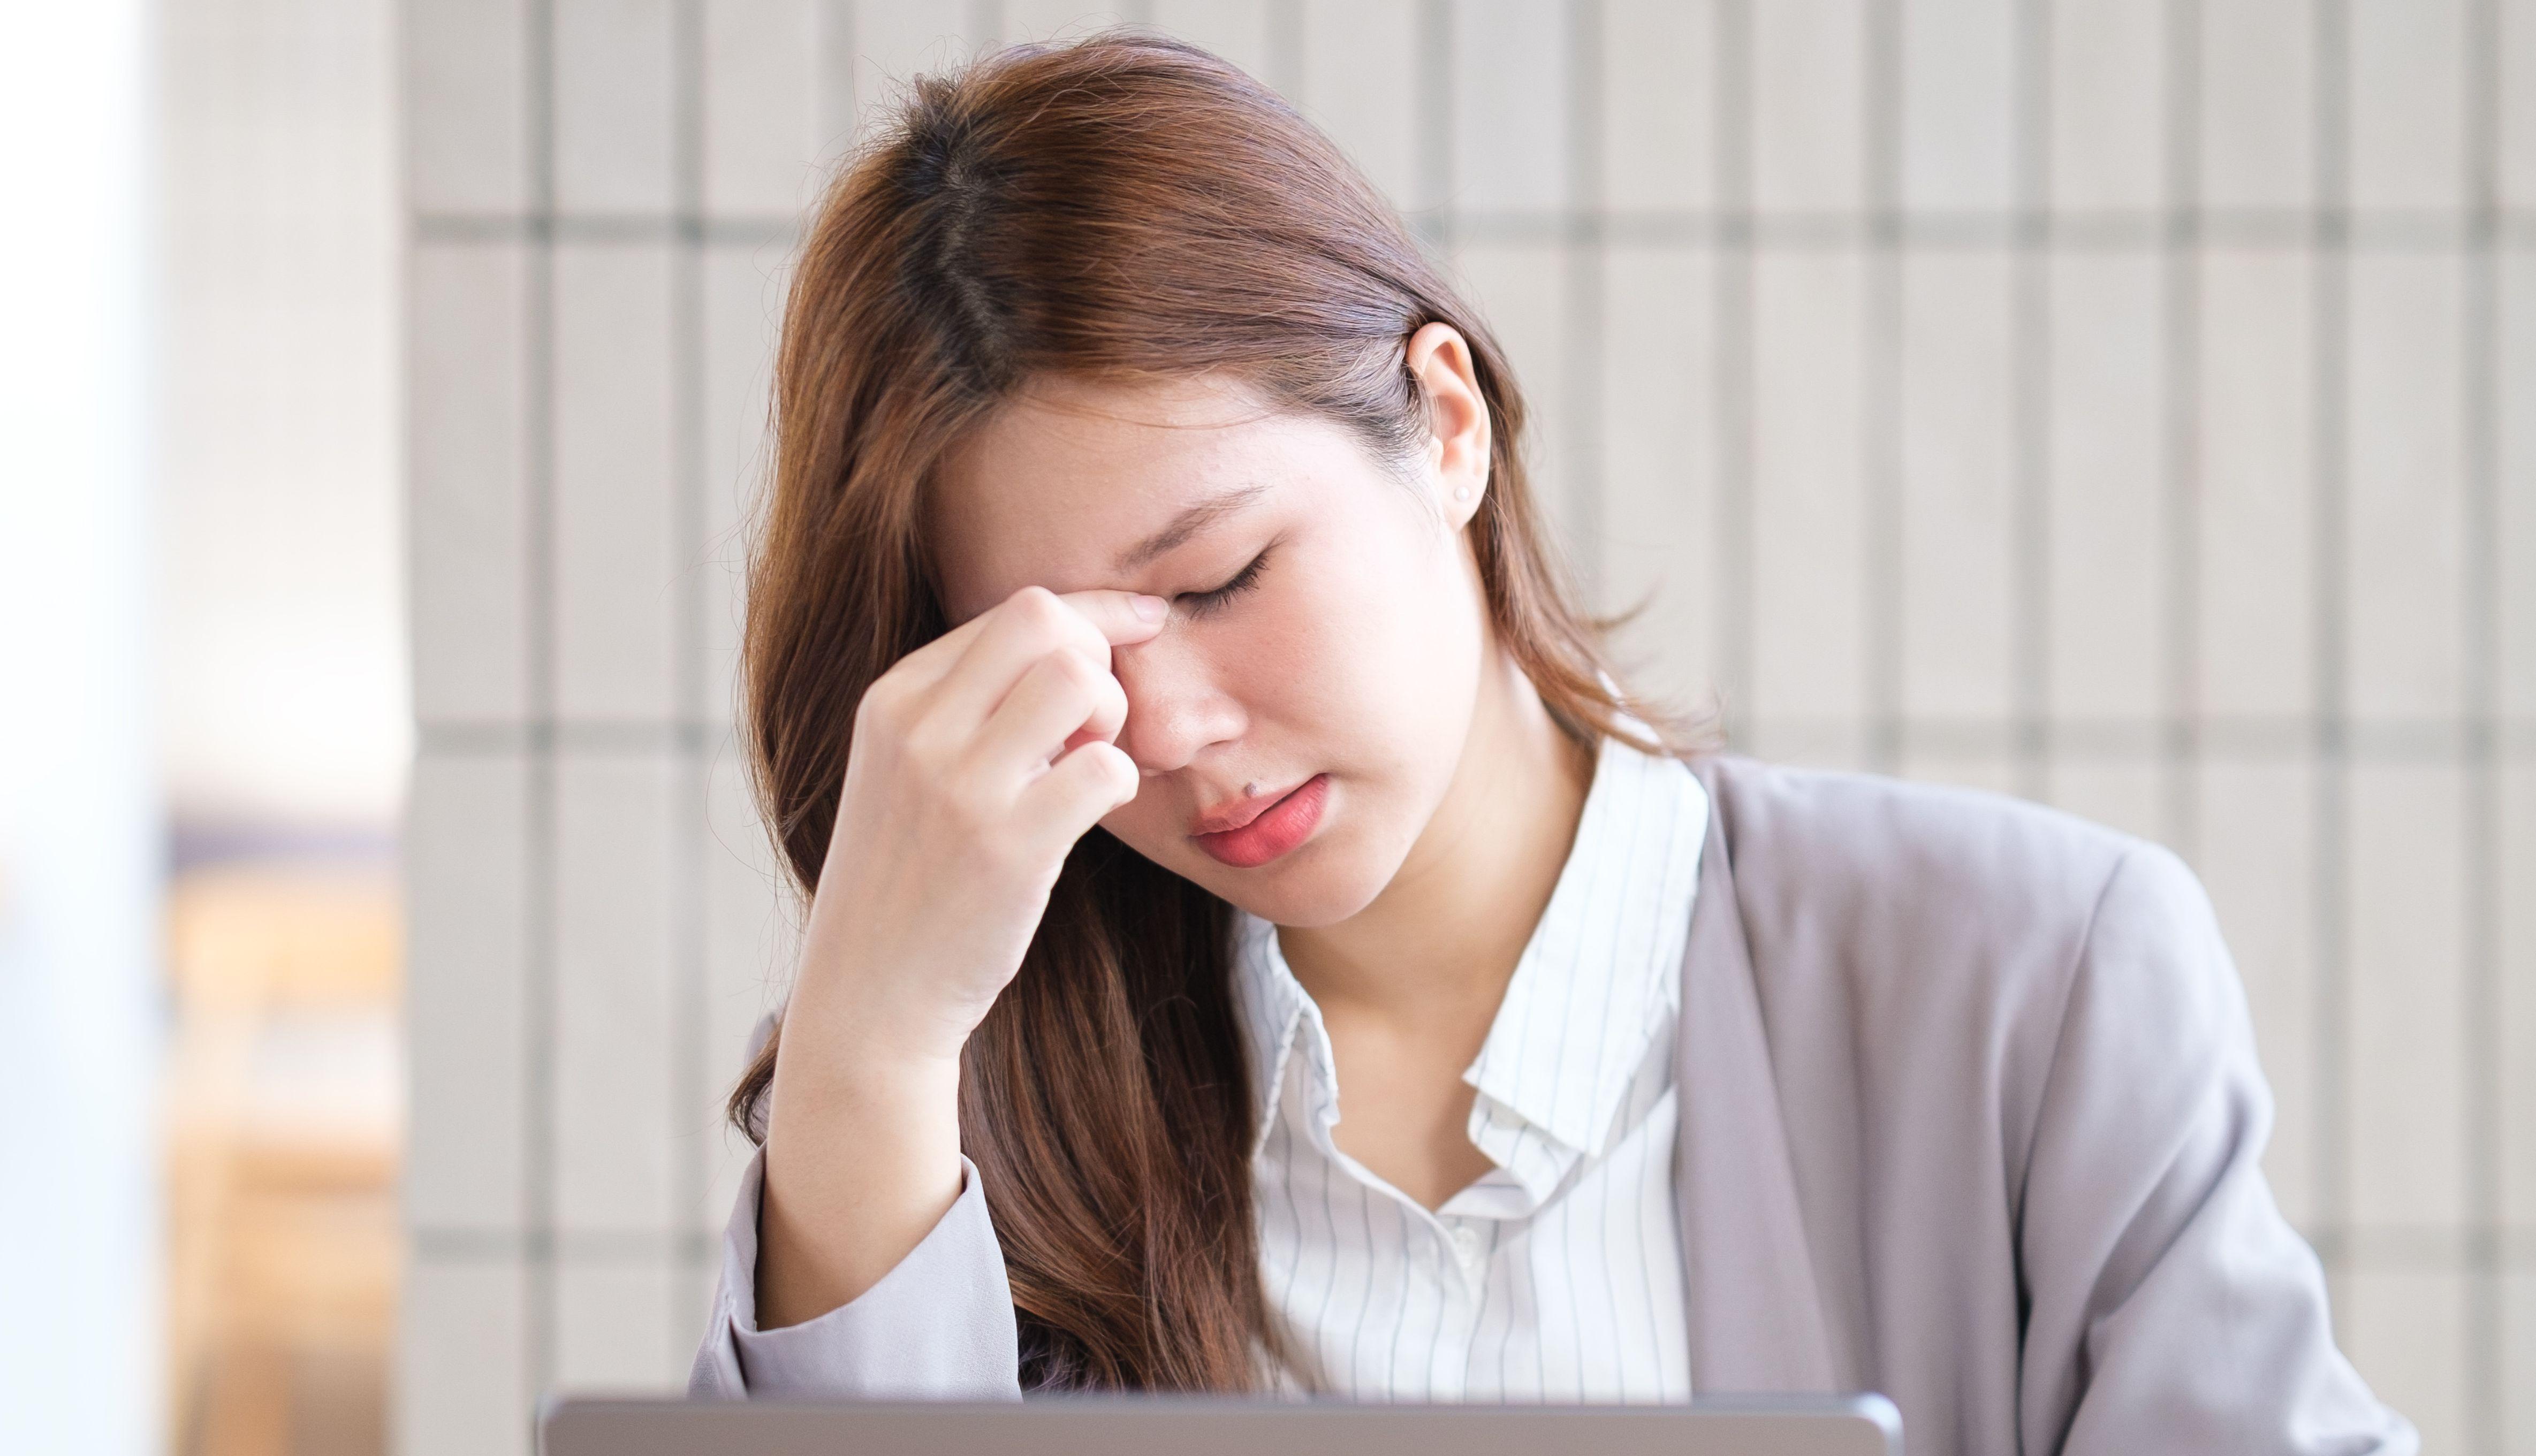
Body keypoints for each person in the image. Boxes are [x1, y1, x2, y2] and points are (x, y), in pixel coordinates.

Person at [684, 29, 2414, 1456]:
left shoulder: (2032, 982)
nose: (1176, 737)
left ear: (1445, 424)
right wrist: (865, 1054)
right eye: (1059, 671)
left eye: (1218, 577)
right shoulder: (962, 1102)